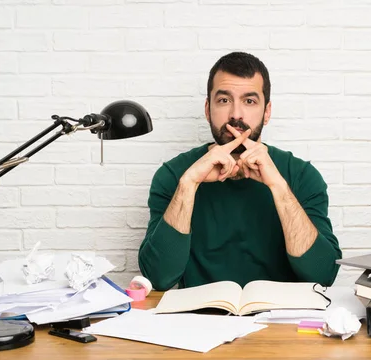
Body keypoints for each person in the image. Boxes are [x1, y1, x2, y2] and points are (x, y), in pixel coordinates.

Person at [138, 51, 341, 290]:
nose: (236, 114)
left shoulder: (301, 175)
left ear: (267, 112)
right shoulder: (175, 175)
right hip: (199, 321)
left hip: (281, 322)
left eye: (249, 101)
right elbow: (158, 278)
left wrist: (279, 188)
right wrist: (189, 184)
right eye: (224, 100)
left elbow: (323, 274)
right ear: (207, 109)